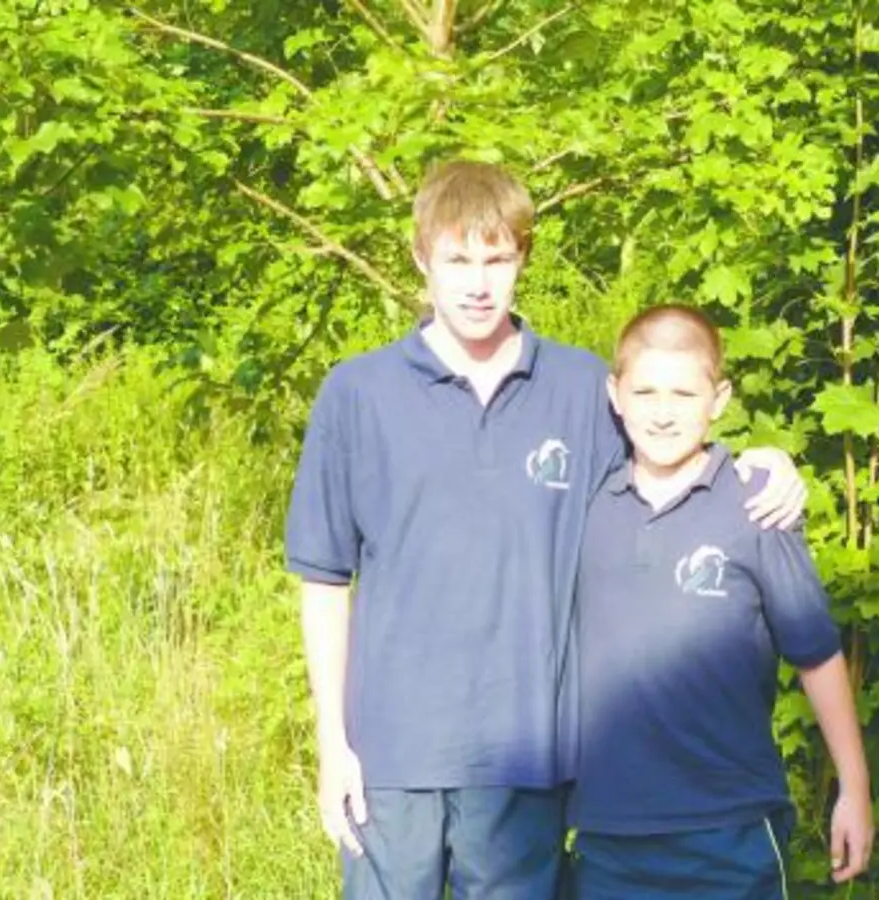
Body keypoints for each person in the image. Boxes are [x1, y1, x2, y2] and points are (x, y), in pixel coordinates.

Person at [284, 161, 808, 900]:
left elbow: (671, 454)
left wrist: (763, 460)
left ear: (522, 259)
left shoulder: (578, 388)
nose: (477, 283)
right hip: (390, 757)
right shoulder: (357, 394)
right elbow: (324, 583)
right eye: (458, 260)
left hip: (528, 760)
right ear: (419, 258)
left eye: (497, 260)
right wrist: (331, 745)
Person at [569, 304, 874, 899]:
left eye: (684, 393)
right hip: (611, 834)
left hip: (732, 828)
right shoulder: (586, 503)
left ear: (719, 398)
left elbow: (816, 654)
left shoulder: (757, 502)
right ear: (615, 394)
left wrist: (854, 787)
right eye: (646, 391)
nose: (662, 413)